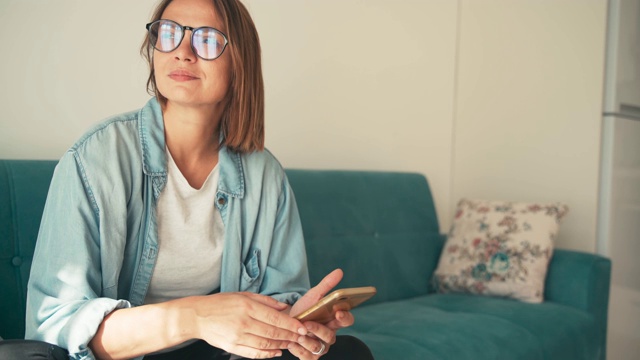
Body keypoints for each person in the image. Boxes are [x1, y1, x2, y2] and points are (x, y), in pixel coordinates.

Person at [12, 0, 375, 359]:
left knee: (348, 353)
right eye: (168, 33)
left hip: (221, 352)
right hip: (127, 353)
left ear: (239, 62)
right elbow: (55, 328)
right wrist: (196, 317)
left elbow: (277, 300)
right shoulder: (95, 159)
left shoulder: (267, 177)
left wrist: (295, 326)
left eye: (207, 39)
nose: (182, 52)